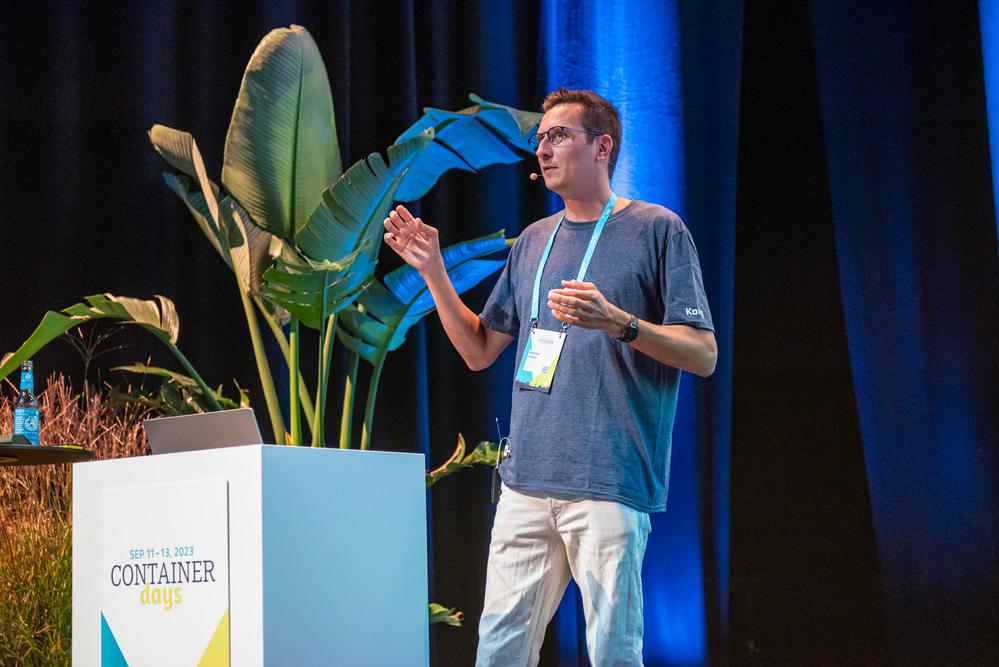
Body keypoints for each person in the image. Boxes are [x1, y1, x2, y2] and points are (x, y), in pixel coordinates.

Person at [383, 88, 717, 666]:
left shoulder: (658, 229)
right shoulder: (535, 240)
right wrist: (434, 273)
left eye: (559, 135)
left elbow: (703, 354)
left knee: (613, 652)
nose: (542, 149)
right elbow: (479, 350)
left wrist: (620, 323)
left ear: (602, 147)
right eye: (540, 138)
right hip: (527, 483)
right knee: (499, 651)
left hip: (608, 481)